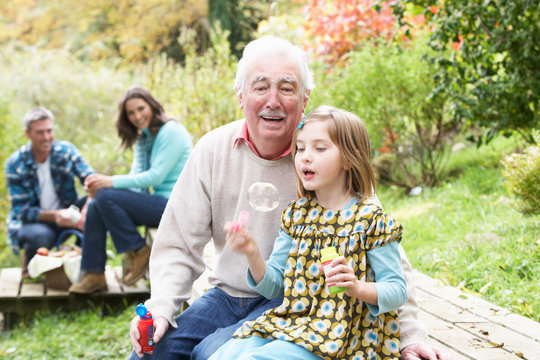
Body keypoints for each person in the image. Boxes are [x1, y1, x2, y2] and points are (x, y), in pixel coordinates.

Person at [129, 36, 451, 360]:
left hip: (296, 301)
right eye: (260, 87)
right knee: (150, 354)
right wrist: (161, 307)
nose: (273, 101)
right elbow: (178, 245)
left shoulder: (330, 160)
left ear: (304, 98)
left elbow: (385, 254)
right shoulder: (213, 149)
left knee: (213, 354)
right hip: (226, 295)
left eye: (286, 87)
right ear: (240, 97)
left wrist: (409, 336)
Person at [210, 105, 408, 359]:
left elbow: (397, 290)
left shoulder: (370, 220)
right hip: (295, 324)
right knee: (223, 355)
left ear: (349, 158)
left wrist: (357, 287)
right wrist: (252, 254)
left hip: (342, 338)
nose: (305, 156)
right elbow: (274, 287)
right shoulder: (297, 215)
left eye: (319, 148)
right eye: (300, 148)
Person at [68, 86, 192, 294]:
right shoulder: (145, 137)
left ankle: (137, 250)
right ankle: (94, 274)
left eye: (141, 109)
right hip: (160, 203)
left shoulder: (171, 131)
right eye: (131, 113)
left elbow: (156, 176)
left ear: (152, 106)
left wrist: (109, 182)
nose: (137, 116)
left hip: (179, 206)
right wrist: (106, 193)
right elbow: (137, 180)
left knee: (105, 194)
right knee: (100, 201)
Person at [4, 107, 93, 276]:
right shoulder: (15, 163)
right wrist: (56, 216)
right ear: (27, 134)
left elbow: (92, 179)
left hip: (67, 213)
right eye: (39, 132)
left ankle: (87, 268)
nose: (46, 137)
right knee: (40, 235)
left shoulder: (66, 151)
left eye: (49, 131)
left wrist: (89, 206)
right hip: (33, 223)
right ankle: (30, 268)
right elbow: (20, 210)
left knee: (97, 207)